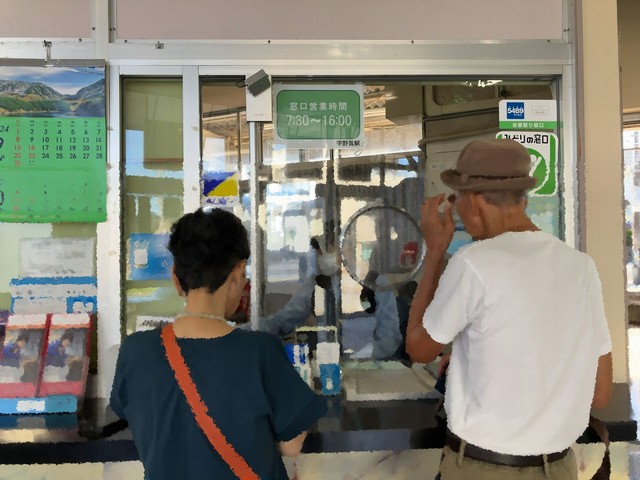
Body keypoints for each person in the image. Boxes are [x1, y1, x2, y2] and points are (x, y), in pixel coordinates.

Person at [405, 139, 613, 480]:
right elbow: (600, 393)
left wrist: (434, 252)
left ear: (475, 201)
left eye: (456, 199)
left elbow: (418, 348)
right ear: (523, 199)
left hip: (487, 470)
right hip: (561, 468)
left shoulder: (473, 263)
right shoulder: (581, 267)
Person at [110, 208, 327, 480]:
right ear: (237, 274)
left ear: (176, 278)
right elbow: (293, 445)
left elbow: (130, 413)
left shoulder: (136, 351)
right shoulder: (260, 352)